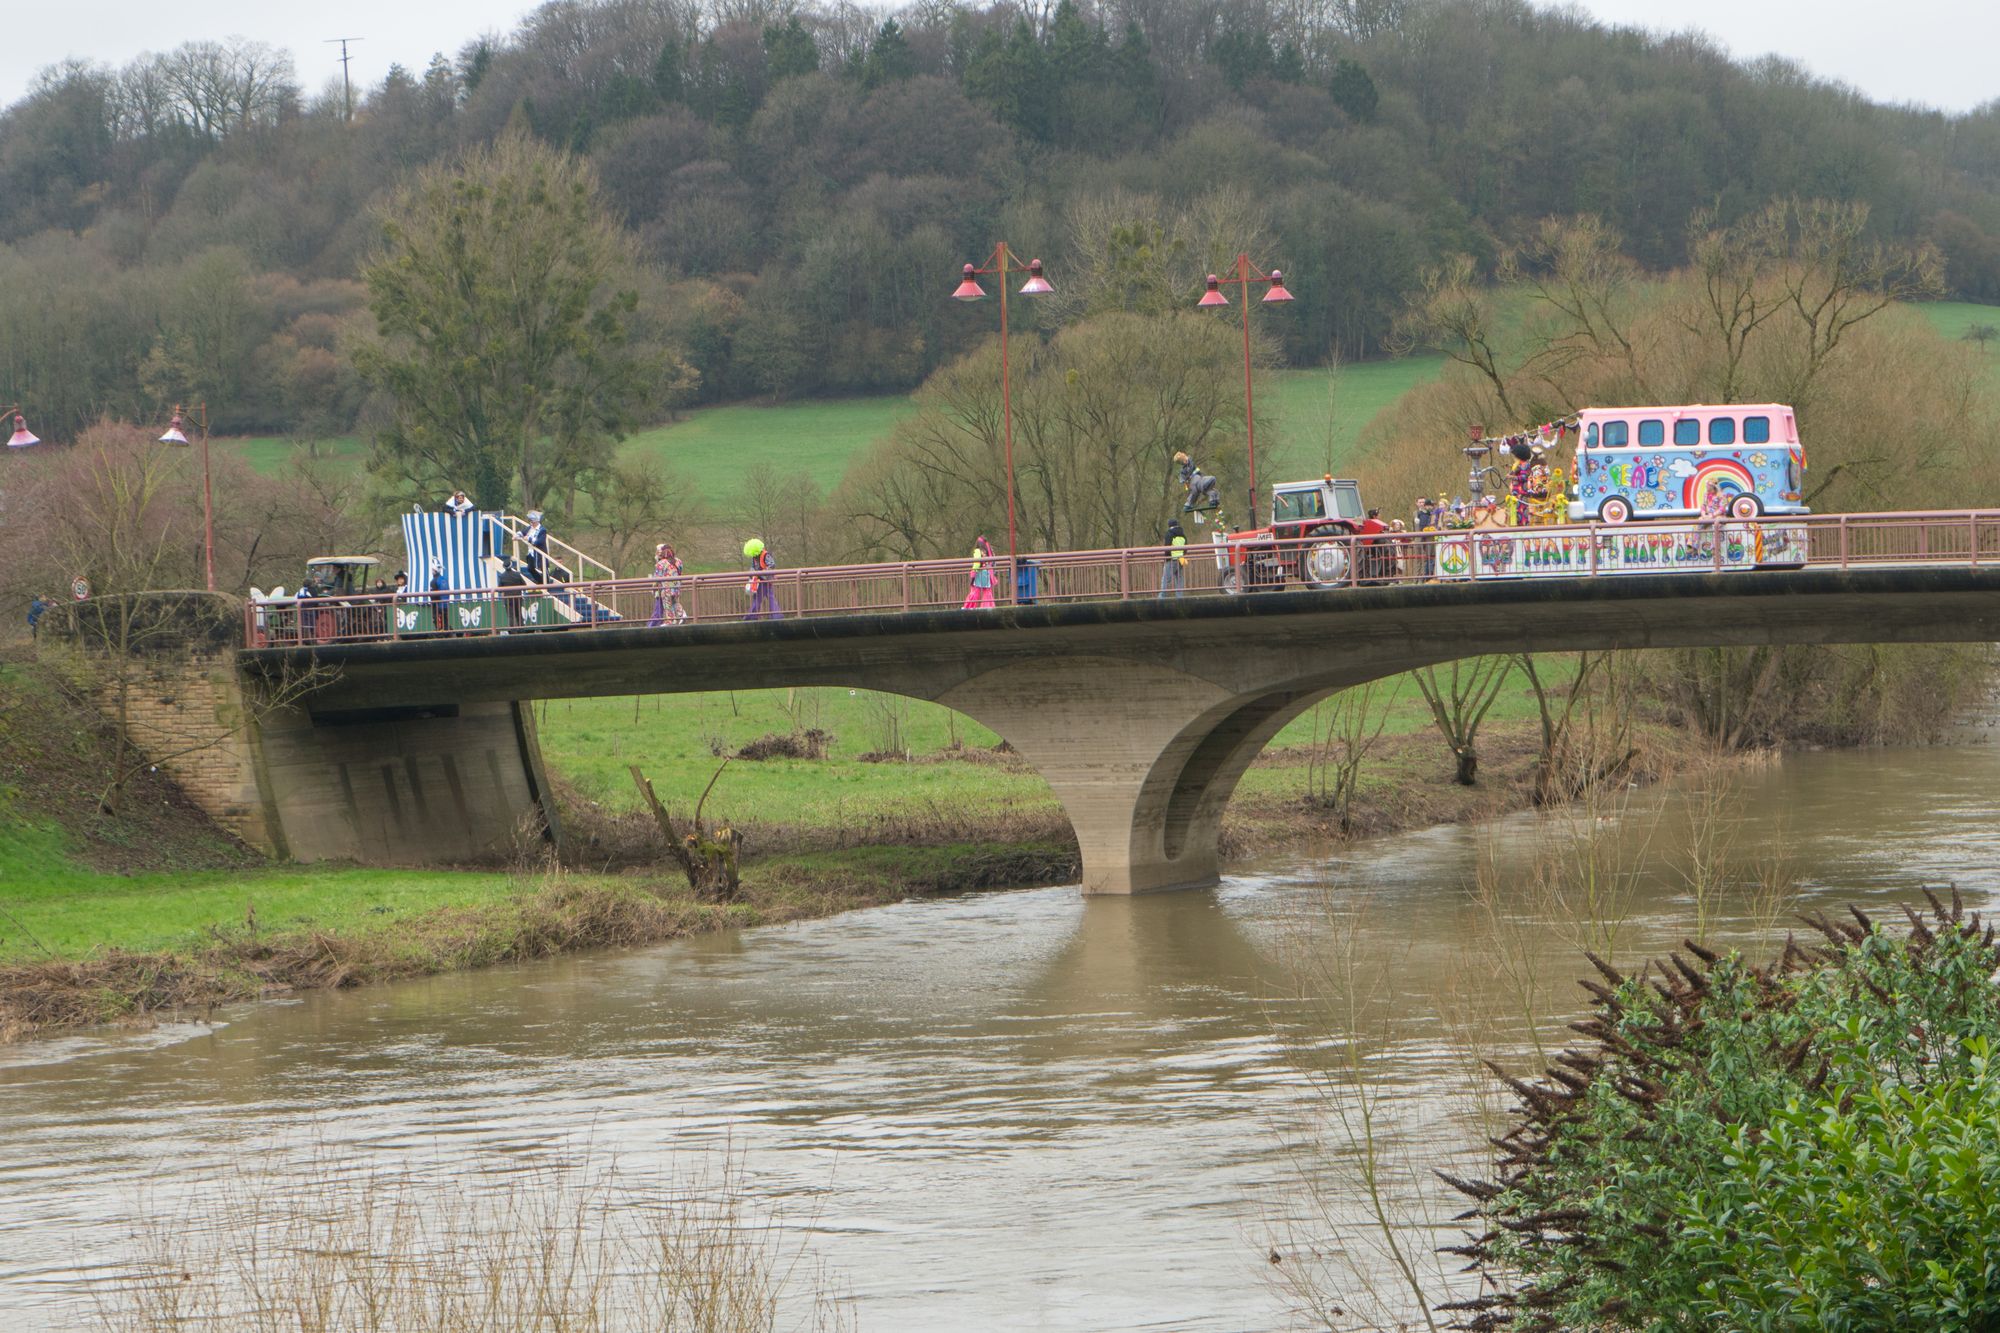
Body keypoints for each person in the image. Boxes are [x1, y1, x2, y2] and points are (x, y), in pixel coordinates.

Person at [1173, 451, 1222, 522]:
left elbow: (1190, 460)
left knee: (1207, 490)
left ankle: (1213, 498)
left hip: (1198, 478)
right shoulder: (1183, 470)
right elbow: (1182, 477)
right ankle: (1189, 504)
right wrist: (1184, 481)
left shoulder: (1190, 462)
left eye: (1185, 460)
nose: (1185, 461)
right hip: (1193, 481)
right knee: (1194, 492)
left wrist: (1186, 459)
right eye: (1183, 461)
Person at [650, 543, 688, 626]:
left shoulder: (661, 563)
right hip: (676, 586)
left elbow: (657, 578)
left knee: (667, 604)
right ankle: (682, 615)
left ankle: (670, 621)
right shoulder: (678, 561)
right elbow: (680, 572)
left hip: (666, 587)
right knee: (675, 602)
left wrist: (653, 588)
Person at [744, 538, 781, 621]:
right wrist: (752, 574)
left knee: (758, 598)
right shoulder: (755, 557)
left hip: (765, 579)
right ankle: (777, 615)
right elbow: (753, 567)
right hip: (759, 580)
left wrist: (763, 572)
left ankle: (751, 616)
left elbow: (772, 565)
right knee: (769, 597)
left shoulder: (765, 555)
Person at [963, 535, 997, 609]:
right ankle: (987, 607)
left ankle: (968, 607)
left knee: (975, 591)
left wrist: (973, 571)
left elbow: (977, 563)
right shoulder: (989, 551)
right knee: (987, 591)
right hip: (987, 572)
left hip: (979, 572)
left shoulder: (978, 551)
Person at [496, 556, 530, 629]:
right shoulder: (517, 574)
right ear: (511, 565)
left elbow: (499, 589)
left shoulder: (502, 576)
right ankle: (521, 629)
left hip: (508, 599)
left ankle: (512, 630)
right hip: (518, 597)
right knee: (518, 614)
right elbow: (524, 585)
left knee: (510, 615)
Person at [1157, 518, 1188, 598]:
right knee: (1179, 579)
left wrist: (1166, 558)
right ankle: (1179, 597)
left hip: (1172, 559)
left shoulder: (1169, 534)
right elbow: (1185, 548)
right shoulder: (1183, 534)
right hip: (1181, 559)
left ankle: (1162, 596)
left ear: (1169, 525)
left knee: (1166, 578)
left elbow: (1167, 548)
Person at [523, 510, 550, 581]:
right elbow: (522, 532)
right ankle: (540, 581)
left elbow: (539, 542)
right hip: (531, 552)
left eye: (532, 521)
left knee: (543, 568)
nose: (531, 522)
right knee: (530, 568)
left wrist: (529, 538)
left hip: (540, 553)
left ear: (536, 521)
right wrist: (517, 536)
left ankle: (546, 583)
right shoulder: (529, 528)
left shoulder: (542, 530)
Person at [428, 557, 450, 632]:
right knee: (445, 623)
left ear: (434, 570)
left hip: (438, 606)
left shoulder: (433, 581)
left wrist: (433, 605)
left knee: (438, 624)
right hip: (445, 605)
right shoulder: (444, 579)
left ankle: (440, 634)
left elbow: (433, 596)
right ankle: (447, 633)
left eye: (432, 570)